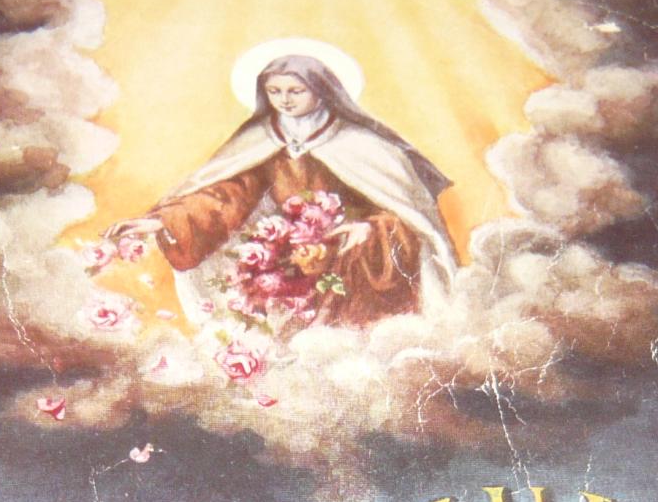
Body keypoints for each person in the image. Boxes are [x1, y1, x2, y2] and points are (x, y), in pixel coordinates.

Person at [104, 55, 458, 328]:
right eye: (274, 92)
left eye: (295, 91)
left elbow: (404, 214)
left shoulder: (363, 145)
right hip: (289, 259)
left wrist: (369, 228)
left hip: (355, 261)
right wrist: (166, 221)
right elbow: (228, 195)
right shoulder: (262, 141)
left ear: (321, 90)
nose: (284, 100)